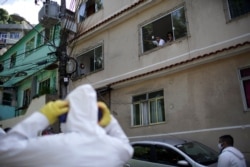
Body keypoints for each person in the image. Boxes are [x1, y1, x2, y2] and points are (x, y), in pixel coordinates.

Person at [0, 84, 133, 167]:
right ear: (96, 115)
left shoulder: (54, 145)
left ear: (65, 115)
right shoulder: (114, 148)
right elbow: (127, 147)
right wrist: (110, 122)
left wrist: (43, 116)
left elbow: (4, 151)